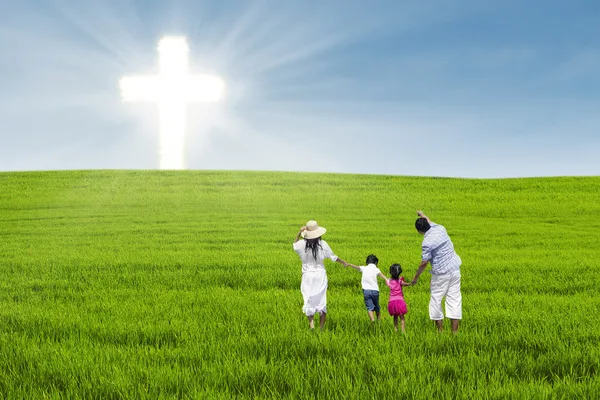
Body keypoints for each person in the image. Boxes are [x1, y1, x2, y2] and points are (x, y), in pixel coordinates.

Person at [411, 210, 463, 333]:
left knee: (436, 300)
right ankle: (454, 333)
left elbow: (424, 262)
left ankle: (440, 332)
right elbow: (428, 220)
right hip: (455, 270)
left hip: (441, 274)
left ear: (419, 231)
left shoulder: (426, 242)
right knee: (454, 300)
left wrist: (416, 277)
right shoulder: (440, 228)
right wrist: (422, 213)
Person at [293, 220, 350, 330]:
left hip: (307, 276)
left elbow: (294, 244)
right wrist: (344, 262)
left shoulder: (301, 245)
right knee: (321, 300)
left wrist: (299, 233)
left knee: (308, 300)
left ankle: (312, 326)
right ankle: (322, 328)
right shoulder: (323, 244)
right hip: (320, 276)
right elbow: (333, 257)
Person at [347, 255, 389, 323]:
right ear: (376, 263)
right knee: (376, 305)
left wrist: (349, 264)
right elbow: (381, 275)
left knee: (370, 307)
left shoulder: (364, 268)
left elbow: (356, 267)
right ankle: (379, 320)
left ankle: (372, 320)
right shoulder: (376, 269)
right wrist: (386, 279)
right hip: (375, 291)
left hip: (366, 291)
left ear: (367, 262)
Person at [386, 263, 411, 333]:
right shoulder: (400, 281)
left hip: (392, 302)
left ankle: (395, 330)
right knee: (402, 318)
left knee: (395, 316)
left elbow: (388, 282)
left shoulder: (389, 281)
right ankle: (403, 331)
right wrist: (410, 283)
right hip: (400, 301)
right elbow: (405, 284)